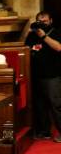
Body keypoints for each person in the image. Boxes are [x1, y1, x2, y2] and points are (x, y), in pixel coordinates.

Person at [25, 11, 61, 141]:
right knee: (40, 105)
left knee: (56, 104)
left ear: (50, 21)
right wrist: (29, 32)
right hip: (35, 75)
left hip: (53, 75)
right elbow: (25, 49)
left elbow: (58, 47)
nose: (42, 24)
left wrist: (44, 36)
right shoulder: (33, 35)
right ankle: (44, 132)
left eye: (45, 21)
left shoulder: (56, 32)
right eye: (40, 22)